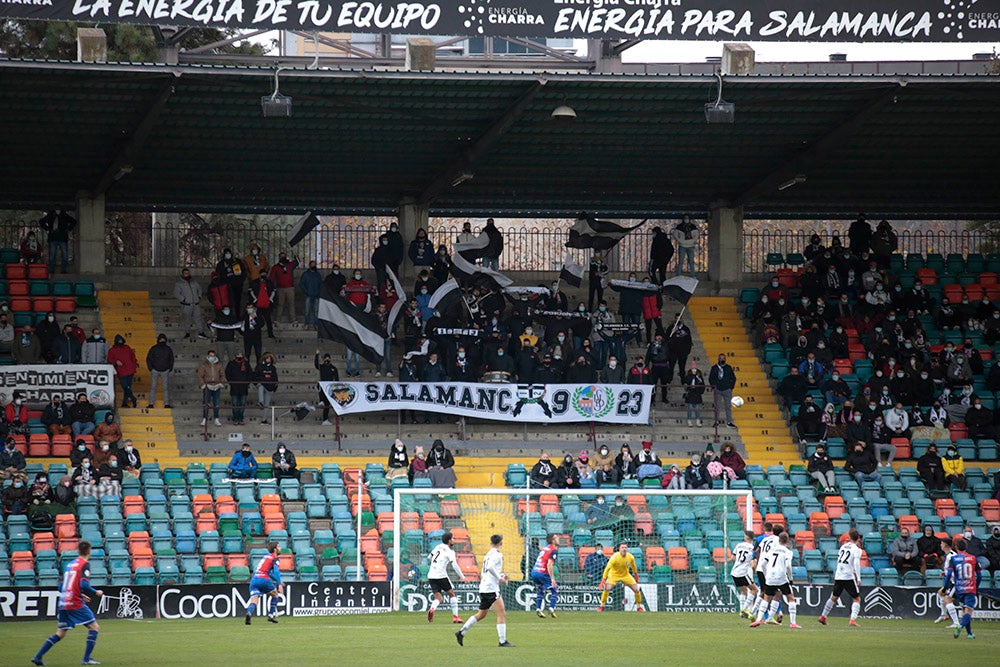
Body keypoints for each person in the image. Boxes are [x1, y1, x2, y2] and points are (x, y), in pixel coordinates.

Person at [31, 539, 102, 666]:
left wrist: (79, 594)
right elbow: (83, 583)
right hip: (75, 603)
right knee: (94, 627)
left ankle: (38, 657)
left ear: (78, 551)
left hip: (64, 601)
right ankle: (86, 659)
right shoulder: (84, 564)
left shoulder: (70, 564)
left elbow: (62, 586)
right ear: (89, 551)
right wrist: (95, 592)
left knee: (61, 633)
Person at [455, 533, 512, 648]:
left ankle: (461, 632)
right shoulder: (497, 554)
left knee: (482, 614)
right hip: (491, 588)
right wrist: (500, 578)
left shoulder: (488, 554)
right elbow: (490, 568)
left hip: (484, 587)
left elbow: (487, 570)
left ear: (491, 542)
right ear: (501, 543)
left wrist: (501, 575)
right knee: (501, 614)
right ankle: (502, 641)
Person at [750, 532, 801, 628]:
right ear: (787, 541)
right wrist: (790, 578)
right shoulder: (788, 552)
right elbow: (788, 566)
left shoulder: (771, 551)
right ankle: (793, 623)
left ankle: (758, 620)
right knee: (791, 598)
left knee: (766, 598)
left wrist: (766, 574)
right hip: (781, 577)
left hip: (770, 577)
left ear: (779, 540)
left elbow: (763, 564)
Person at [818, 529, 863, 627]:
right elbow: (856, 563)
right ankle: (852, 620)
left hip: (839, 575)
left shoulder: (843, 547)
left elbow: (839, 561)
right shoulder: (857, 550)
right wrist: (858, 578)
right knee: (856, 599)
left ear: (849, 537)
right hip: (848, 576)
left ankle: (823, 616)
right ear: (858, 539)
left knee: (834, 597)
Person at [945, 537, 981, 639]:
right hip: (970, 587)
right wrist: (976, 586)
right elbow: (980, 575)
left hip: (959, 588)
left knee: (965, 610)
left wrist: (945, 586)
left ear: (956, 547)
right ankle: (960, 626)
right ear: (966, 547)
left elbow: (949, 574)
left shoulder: (954, 559)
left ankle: (969, 633)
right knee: (968, 611)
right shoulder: (973, 558)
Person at [427, 531, 465, 624]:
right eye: (452, 538)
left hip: (431, 575)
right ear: (449, 541)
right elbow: (455, 565)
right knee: (452, 594)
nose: (454, 540)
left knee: (438, 598)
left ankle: (432, 609)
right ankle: (455, 617)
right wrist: (462, 577)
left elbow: (429, 557)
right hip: (441, 575)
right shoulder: (450, 551)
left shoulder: (437, 547)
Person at [598, 541, 646, 612]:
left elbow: (633, 566)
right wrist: (603, 580)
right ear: (619, 549)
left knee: (636, 590)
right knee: (607, 588)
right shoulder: (614, 557)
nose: (624, 549)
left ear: (627, 549)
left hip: (625, 575)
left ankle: (639, 607)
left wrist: (636, 575)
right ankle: (601, 606)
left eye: (625, 547)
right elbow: (607, 568)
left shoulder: (630, 557)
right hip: (614, 575)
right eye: (622, 547)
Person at [245, 541, 283, 625]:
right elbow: (276, 572)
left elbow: (269, 573)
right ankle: (271, 615)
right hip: (264, 579)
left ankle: (249, 613)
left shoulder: (266, 557)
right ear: (275, 549)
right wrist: (279, 583)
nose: (280, 548)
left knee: (254, 600)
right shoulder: (275, 558)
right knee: (275, 594)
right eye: (279, 547)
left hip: (254, 579)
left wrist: (277, 580)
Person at [530, 533, 560, 618]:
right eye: (556, 537)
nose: (558, 539)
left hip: (534, 571)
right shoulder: (553, 550)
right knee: (555, 590)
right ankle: (551, 608)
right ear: (553, 541)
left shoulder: (544, 549)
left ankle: (538, 609)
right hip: (542, 572)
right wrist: (552, 579)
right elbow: (549, 564)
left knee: (541, 589)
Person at [731, 530, 759, 618]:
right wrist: (754, 570)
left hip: (734, 572)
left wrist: (739, 562)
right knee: (755, 590)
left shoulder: (739, 545)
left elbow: (733, 557)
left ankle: (741, 612)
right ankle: (744, 609)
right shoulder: (753, 549)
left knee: (744, 591)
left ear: (746, 537)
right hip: (742, 573)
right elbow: (753, 563)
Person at [39, 209, 76, 274]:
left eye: (58, 209)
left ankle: (63, 270)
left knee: (64, 255)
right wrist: (48, 229)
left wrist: (68, 229)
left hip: (62, 238)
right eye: (56, 209)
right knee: (52, 255)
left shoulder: (65, 216)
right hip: (53, 238)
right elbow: (41, 221)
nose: (57, 210)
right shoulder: (50, 216)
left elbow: (74, 221)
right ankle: (52, 270)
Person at [174, 268, 208, 339]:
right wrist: (183, 299)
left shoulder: (194, 282)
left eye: (188, 273)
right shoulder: (179, 283)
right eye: (185, 273)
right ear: (182, 274)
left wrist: (199, 297)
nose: (187, 274)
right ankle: (187, 333)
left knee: (198, 318)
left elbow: (199, 289)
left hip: (196, 304)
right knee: (187, 319)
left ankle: (201, 332)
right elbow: (176, 293)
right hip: (186, 305)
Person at [106, 334, 138, 408]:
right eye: (119, 341)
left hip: (130, 370)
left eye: (121, 340)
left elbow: (133, 357)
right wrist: (115, 361)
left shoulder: (127, 348)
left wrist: (134, 366)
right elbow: (109, 360)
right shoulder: (112, 350)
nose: (120, 342)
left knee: (127, 387)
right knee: (126, 387)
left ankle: (124, 403)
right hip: (121, 371)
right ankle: (133, 399)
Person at [268, 251, 299, 324]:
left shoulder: (290, 265)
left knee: (291, 304)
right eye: (281, 256)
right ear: (279, 257)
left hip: (290, 288)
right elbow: (271, 278)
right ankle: (278, 320)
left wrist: (295, 256)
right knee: (280, 304)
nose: (283, 258)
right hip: (280, 288)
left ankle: (293, 319)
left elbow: (297, 262)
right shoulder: (275, 267)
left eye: (284, 256)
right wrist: (272, 288)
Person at [197, 350, 225, 427]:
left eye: (213, 356)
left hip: (217, 386)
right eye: (211, 355)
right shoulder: (204, 365)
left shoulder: (219, 365)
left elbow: (222, 375)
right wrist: (202, 384)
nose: (212, 357)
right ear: (208, 356)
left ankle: (216, 419)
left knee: (216, 403)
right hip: (207, 386)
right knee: (206, 403)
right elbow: (200, 375)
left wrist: (221, 383)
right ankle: (204, 419)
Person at [146, 334, 174, 408]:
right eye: (161, 339)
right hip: (156, 370)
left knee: (165, 388)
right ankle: (151, 403)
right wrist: (151, 368)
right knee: (154, 387)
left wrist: (169, 368)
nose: (162, 341)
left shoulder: (165, 349)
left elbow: (171, 359)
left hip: (162, 370)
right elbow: (148, 358)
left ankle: (166, 404)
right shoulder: (163, 348)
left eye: (163, 339)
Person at [709, 353, 737, 428]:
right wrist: (714, 387)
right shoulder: (714, 368)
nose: (722, 359)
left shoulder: (728, 368)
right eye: (720, 358)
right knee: (717, 406)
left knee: (728, 407)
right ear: (718, 359)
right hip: (717, 390)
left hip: (727, 390)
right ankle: (716, 421)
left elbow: (733, 378)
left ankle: (729, 422)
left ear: (725, 359)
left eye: (723, 358)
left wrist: (730, 387)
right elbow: (710, 378)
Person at [216, 247, 247, 312]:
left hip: (237, 285)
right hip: (226, 287)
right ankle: (229, 317)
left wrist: (241, 281)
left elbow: (244, 272)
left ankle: (237, 316)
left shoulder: (237, 262)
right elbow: (218, 275)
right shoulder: (221, 264)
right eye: (226, 254)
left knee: (237, 301)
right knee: (228, 302)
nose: (228, 255)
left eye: (229, 253)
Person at [225, 351, 252, 425]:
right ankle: (235, 418)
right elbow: (228, 374)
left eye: (241, 354)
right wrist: (231, 383)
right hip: (234, 387)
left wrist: (247, 383)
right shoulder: (231, 364)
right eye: (238, 354)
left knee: (242, 403)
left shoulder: (246, 364)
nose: (239, 356)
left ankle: (241, 418)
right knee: (235, 403)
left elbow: (250, 374)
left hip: (244, 387)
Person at [314, 350, 339, 426]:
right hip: (322, 387)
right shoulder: (321, 367)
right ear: (324, 359)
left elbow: (337, 379)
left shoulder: (334, 368)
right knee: (320, 385)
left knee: (327, 405)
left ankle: (325, 420)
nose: (327, 359)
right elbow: (316, 364)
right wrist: (317, 354)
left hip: (330, 388)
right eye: (326, 358)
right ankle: (321, 400)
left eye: (328, 358)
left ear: (330, 359)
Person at [255, 353, 279, 424]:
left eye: (269, 358)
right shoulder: (259, 367)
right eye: (267, 358)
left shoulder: (273, 368)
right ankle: (260, 402)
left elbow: (275, 378)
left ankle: (264, 420)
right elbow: (255, 376)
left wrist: (274, 387)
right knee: (260, 386)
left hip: (270, 387)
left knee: (267, 405)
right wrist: (258, 382)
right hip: (262, 385)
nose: (268, 360)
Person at [681, 362, 705, 427]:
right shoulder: (688, 376)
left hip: (697, 393)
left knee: (697, 408)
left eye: (695, 369)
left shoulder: (699, 377)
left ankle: (698, 420)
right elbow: (686, 383)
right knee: (690, 408)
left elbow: (702, 385)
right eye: (692, 369)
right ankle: (689, 420)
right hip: (690, 393)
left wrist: (700, 391)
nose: (694, 370)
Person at [299, 260, 323, 327]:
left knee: (316, 311)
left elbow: (321, 284)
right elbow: (301, 284)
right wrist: (306, 291)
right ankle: (307, 323)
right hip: (308, 295)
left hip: (317, 295)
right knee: (307, 310)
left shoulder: (318, 275)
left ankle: (316, 324)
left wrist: (319, 292)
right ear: (309, 265)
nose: (313, 266)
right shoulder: (305, 274)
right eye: (312, 264)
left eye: (314, 264)